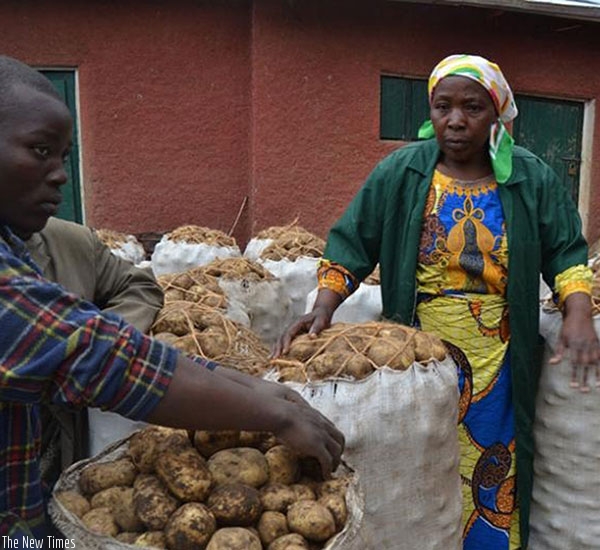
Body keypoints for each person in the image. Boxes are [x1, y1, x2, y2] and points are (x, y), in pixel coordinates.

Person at [0, 55, 345, 541]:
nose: (59, 174)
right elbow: (99, 357)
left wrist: (257, 390)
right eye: (39, 151)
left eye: (63, 157)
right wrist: (273, 411)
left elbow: (110, 338)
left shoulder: (17, 243)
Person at [279, 54, 600, 549]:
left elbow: (565, 251)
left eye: (472, 107)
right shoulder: (402, 171)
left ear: (497, 113)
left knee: (492, 462)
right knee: (421, 460)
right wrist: (324, 305)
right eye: (443, 107)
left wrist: (578, 314)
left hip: (498, 355)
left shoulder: (528, 177)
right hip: (418, 352)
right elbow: (354, 240)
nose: (455, 120)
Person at [16, 217, 166, 489]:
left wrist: (102, 341)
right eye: (41, 169)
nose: (59, 178)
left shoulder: (72, 241)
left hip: (57, 449)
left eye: (59, 169)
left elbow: (138, 285)